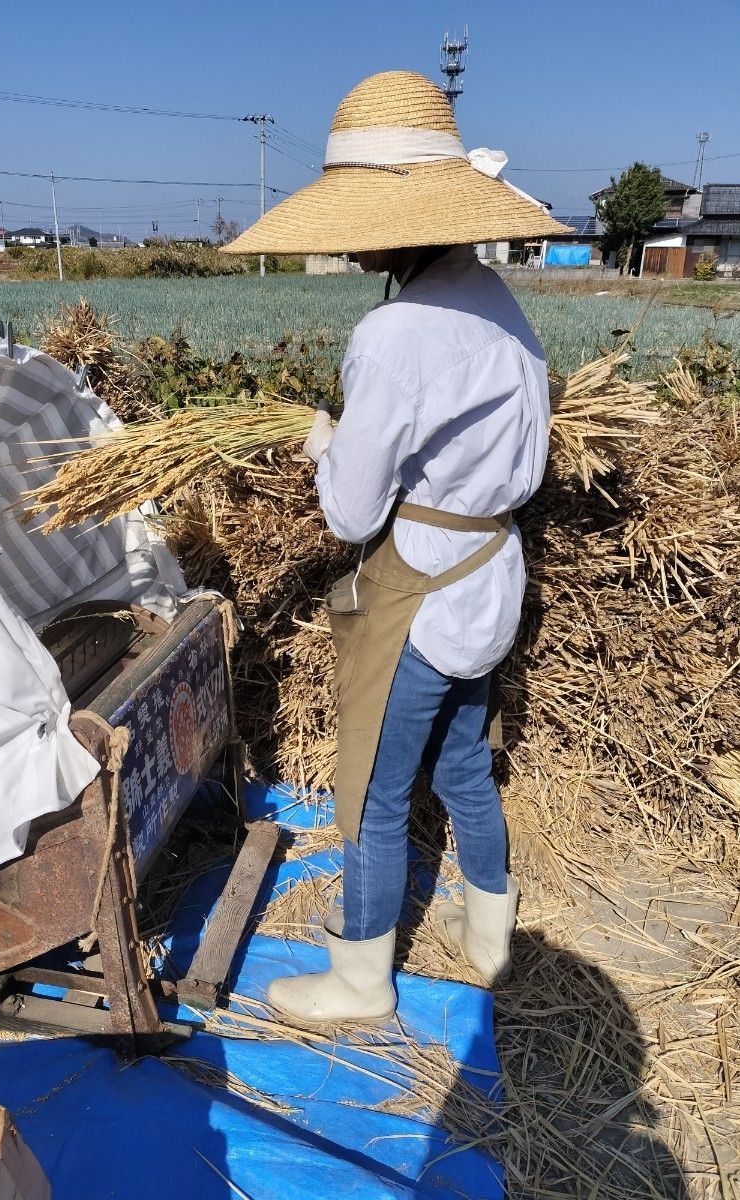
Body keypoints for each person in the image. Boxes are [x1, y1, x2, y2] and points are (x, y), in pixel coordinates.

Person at [224, 71, 568, 1024]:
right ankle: (489, 936)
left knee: (373, 784)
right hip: (491, 571)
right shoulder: (497, 299)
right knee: (463, 758)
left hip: (424, 583)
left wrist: (325, 442)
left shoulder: (394, 332)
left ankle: (360, 979)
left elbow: (349, 514)